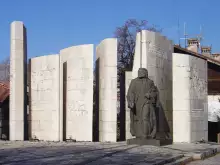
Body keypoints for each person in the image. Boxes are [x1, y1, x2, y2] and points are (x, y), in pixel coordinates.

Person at [127, 68, 157, 139]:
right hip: (137, 103)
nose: (139, 73)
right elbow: (130, 92)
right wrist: (131, 101)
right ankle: (139, 134)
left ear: (145, 73)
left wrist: (149, 95)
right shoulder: (134, 81)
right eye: (139, 72)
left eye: (141, 72)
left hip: (146, 102)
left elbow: (154, 92)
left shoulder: (150, 82)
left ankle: (146, 134)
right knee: (137, 119)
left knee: (145, 118)